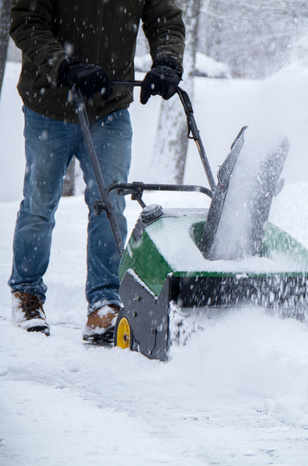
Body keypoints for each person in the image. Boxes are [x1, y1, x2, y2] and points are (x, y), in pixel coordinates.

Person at [8, 0, 186, 343]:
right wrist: (62, 65)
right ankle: (27, 295)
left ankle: (104, 302)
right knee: (40, 203)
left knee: (110, 202)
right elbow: (27, 20)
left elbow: (164, 19)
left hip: (109, 105)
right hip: (51, 103)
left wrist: (166, 61)